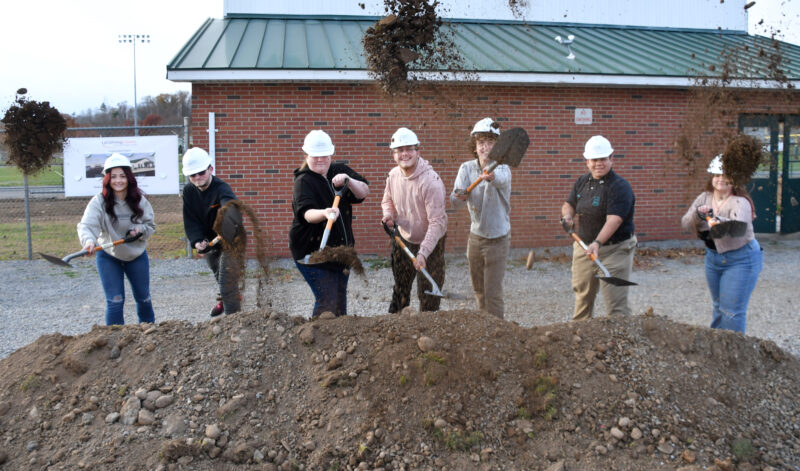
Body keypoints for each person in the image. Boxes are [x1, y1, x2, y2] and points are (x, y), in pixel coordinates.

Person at [290, 130, 370, 317]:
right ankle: (316, 340)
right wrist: (325, 213)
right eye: (315, 156)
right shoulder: (303, 181)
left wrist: (348, 181)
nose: (320, 160)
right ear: (306, 155)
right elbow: (306, 213)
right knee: (327, 300)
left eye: (324, 155)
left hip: (341, 252)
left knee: (340, 301)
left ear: (331, 154)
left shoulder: (339, 170)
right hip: (311, 252)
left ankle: (338, 339)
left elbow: (363, 191)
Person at [680, 155, 762, 333]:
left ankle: (735, 353)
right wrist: (697, 214)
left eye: (726, 175)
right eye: (717, 174)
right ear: (712, 177)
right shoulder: (704, 197)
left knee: (731, 312)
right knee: (718, 307)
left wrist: (717, 220)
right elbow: (685, 223)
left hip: (741, 258)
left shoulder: (741, 202)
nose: (720, 179)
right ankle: (717, 349)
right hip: (713, 258)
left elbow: (738, 230)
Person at [561, 135, 636, 320]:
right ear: (587, 161)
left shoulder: (619, 187)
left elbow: (614, 220)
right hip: (584, 248)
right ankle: (580, 337)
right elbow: (569, 203)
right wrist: (568, 216)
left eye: (603, 159)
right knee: (582, 297)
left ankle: (622, 341)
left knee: (616, 305)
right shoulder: (582, 182)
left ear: (611, 158)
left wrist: (597, 242)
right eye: (594, 160)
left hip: (614, 250)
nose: (598, 164)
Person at [77, 153, 156, 326]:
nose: (118, 181)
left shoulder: (140, 201)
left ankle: (150, 336)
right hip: (108, 255)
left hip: (136, 256)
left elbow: (151, 226)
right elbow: (87, 226)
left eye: (122, 176)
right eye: (113, 177)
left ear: (129, 178)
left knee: (143, 298)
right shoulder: (99, 202)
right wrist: (89, 241)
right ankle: (114, 343)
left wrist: (140, 230)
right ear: (107, 179)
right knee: (115, 301)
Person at [381, 127, 448, 313]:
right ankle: (395, 327)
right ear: (394, 154)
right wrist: (388, 214)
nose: (404, 154)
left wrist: (424, 252)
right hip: (403, 237)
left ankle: (428, 331)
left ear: (418, 151)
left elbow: (437, 223)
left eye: (409, 149)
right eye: (399, 150)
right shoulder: (393, 175)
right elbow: (387, 200)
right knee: (401, 287)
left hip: (431, 242)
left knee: (428, 293)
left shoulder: (431, 182)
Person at [450, 118, 511, 319]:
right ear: (475, 147)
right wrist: (459, 195)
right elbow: (455, 202)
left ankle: (498, 333)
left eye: (491, 142)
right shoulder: (466, 169)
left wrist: (491, 176)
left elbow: (501, 181)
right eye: (481, 143)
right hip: (475, 238)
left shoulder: (502, 168)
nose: (486, 147)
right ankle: (485, 327)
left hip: (497, 239)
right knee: (479, 290)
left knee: (492, 293)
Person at [181, 147, 242, 317]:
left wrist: (228, 219)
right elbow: (190, 219)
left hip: (230, 237)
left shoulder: (222, 188)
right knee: (218, 274)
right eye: (193, 175)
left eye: (201, 173)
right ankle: (226, 298)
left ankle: (233, 319)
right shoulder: (189, 191)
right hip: (210, 239)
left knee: (226, 277)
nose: (197, 178)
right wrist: (197, 240)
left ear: (210, 169)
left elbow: (228, 205)